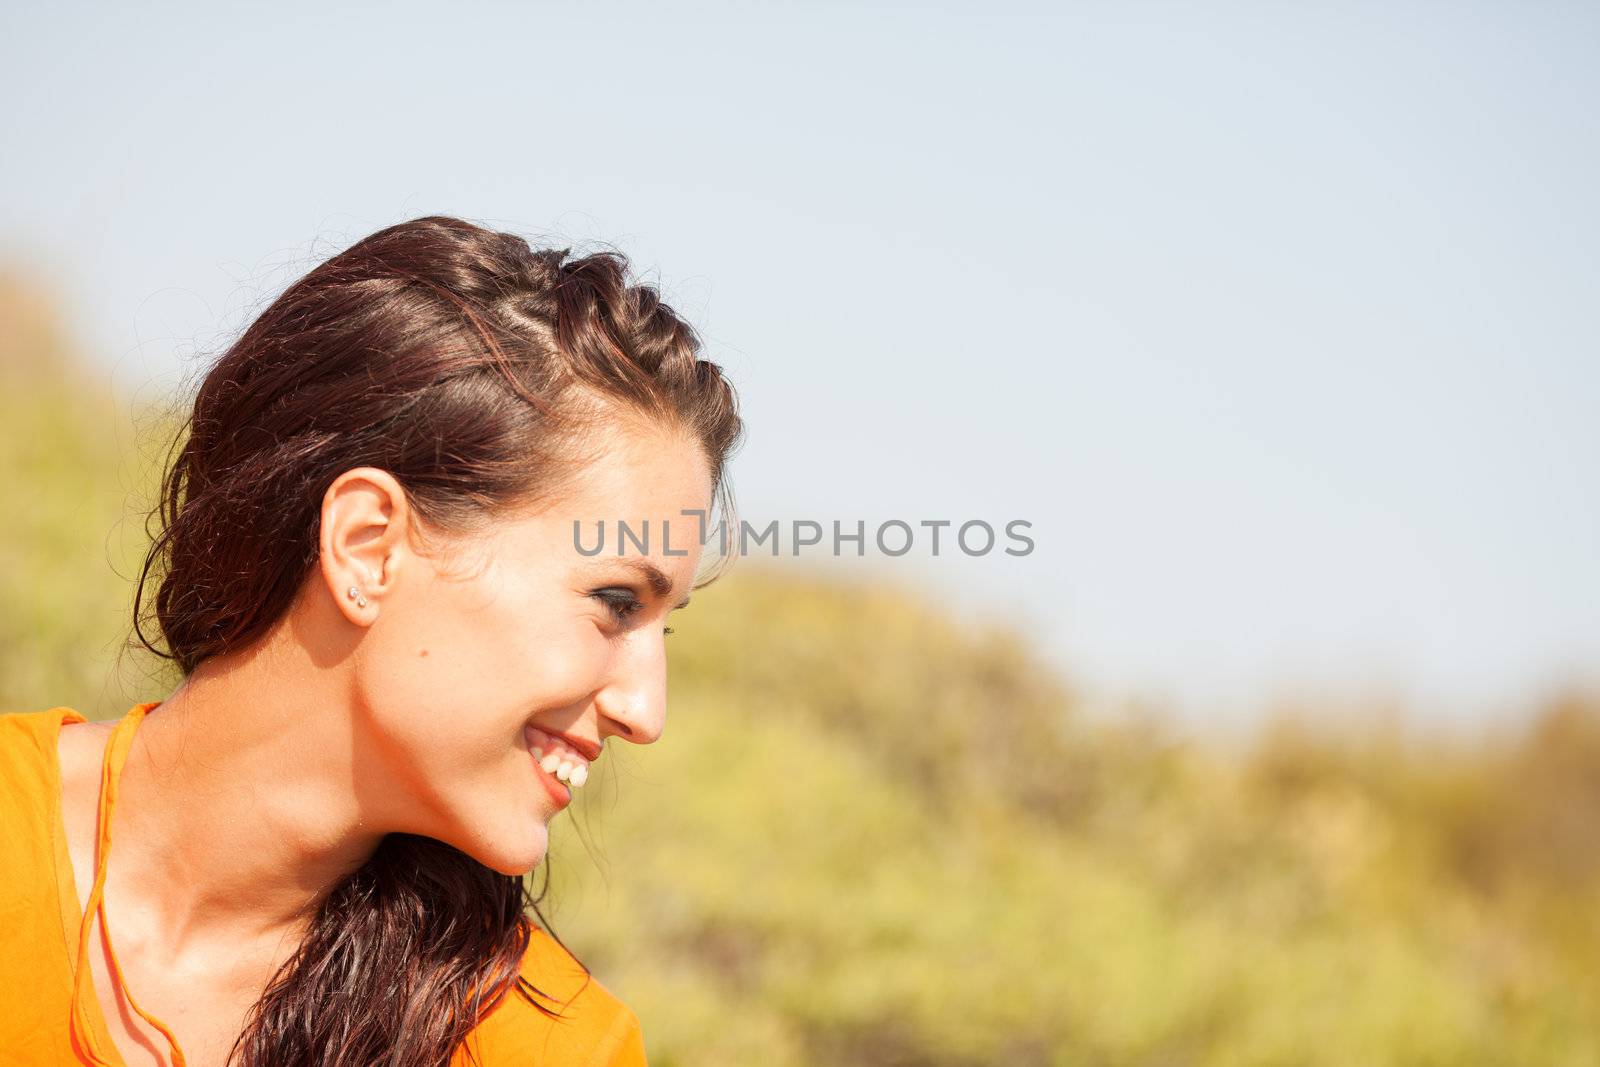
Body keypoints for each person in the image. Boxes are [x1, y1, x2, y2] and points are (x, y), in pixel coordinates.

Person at [0, 215, 745, 1067]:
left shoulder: (547, 1045)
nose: (646, 711)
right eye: (615, 601)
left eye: (663, 626)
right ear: (367, 546)